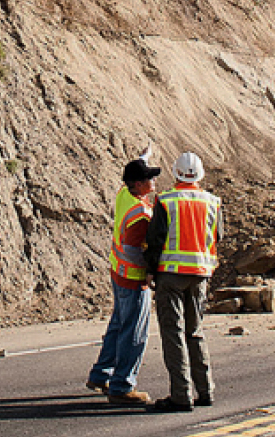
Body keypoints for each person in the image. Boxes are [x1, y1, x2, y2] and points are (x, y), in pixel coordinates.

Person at [145, 152, 223, 412]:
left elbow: (155, 240)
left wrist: (149, 271)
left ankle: (181, 394)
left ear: (175, 173)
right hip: (200, 275)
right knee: (195, 331)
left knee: (173, 333)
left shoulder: (166, 201)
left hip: (171, 274)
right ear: (200, 175)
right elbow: (217, 236)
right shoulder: (212, 202)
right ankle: (206, 390)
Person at [86, 153, 161, 405]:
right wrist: (152, 271)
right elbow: (134, 250)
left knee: (118, 325)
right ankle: (122, 385)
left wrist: (143, 155)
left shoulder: (124, 195)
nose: (154, 181)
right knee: (134, 333)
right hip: (132, 277)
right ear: (138, 184)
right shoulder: (140, 213)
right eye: (149, 178)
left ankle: (101, 374)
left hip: (118, 272)